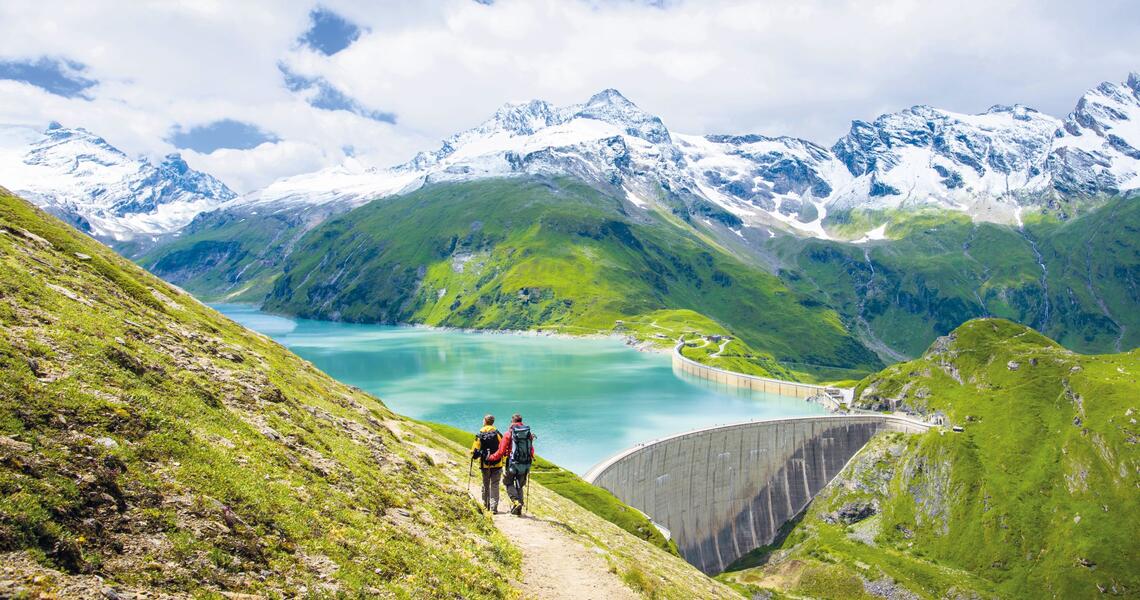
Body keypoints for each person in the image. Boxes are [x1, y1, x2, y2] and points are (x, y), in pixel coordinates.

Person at [485, 413, 534, 516]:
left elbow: (501, 451)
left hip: (512, 464)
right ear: (521, 421)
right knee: (520, 485)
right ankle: (519, 509)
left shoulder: (509, 434)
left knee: (508, 482)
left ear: (512, 422)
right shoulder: (528, 434)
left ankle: (516, 502)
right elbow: (531, 449)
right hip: (525, 464)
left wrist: (490, 457)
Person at [470, 414, 504, 513]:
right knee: (495, 485)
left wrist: (473, 455)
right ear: (493, 422)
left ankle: (486, 506)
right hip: (497, 464)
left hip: (485, 464)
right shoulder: (497, 433)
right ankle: (494, 508)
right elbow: (502, 448)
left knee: (485, 484)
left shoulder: (480, 434)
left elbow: (474, 450)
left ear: (485, 421)